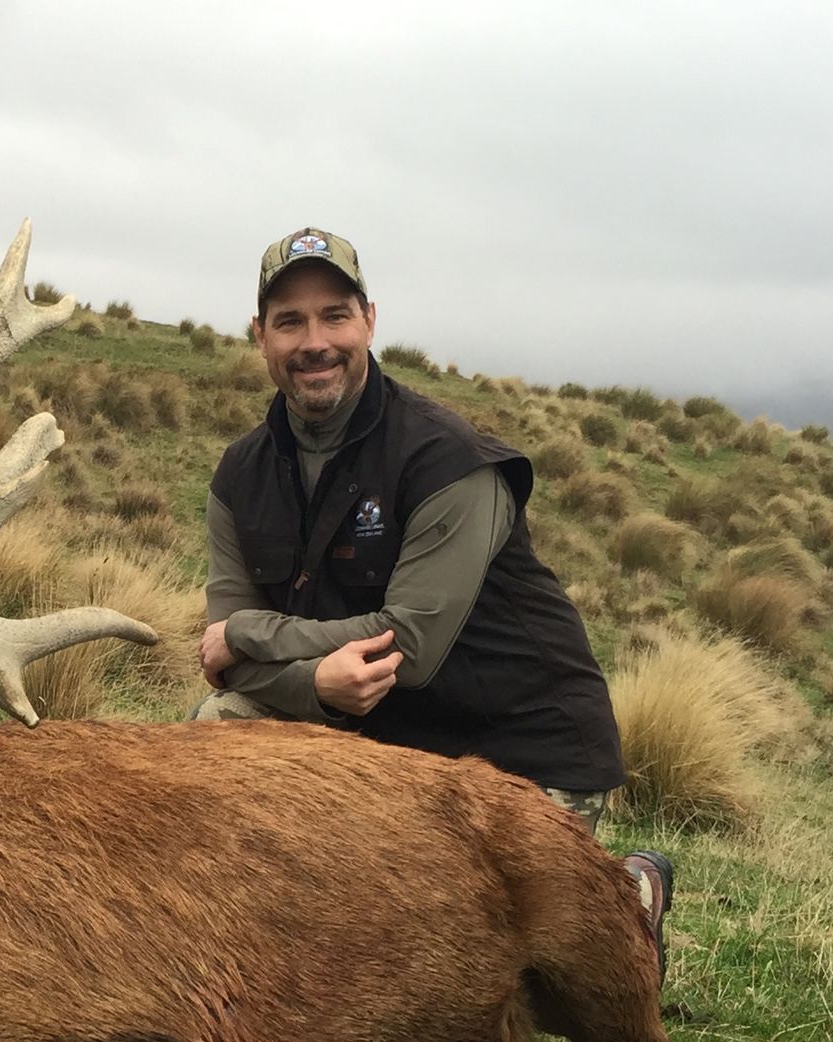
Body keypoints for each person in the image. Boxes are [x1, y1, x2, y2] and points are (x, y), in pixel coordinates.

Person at [195, 227, 673, 973]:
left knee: (497, 974)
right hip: (372, 737)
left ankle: (629, 896)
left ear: (371, 322)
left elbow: (403, 649)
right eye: (289, 321)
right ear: (260, 336)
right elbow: (222, 666)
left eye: (335, 316)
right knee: (216, 730)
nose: (314, 341)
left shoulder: (449, 460)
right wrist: (314, 685)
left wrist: (251, 630)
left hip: (515, 746)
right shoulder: (240, 475)